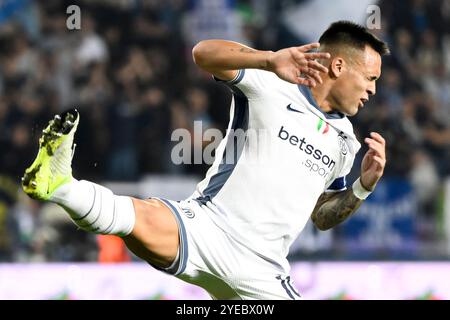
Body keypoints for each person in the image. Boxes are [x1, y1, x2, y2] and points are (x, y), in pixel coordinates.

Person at [21, 21, 388, 300]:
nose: (373, 89)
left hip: (263, 271)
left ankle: (62, 186)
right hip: (208, 228)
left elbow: (323, 217)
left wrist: (362, 187)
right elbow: (202, 53)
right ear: (339, 66)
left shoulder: (348, 144)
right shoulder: (271, 80)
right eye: (370, 78)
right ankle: (60, 185)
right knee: (140, 216)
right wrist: (267, 59)